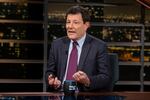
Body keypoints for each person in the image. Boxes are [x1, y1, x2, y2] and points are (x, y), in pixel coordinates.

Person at [45, 5, 112, 92]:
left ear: (86, 25)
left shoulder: (98, 46)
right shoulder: (57, 45)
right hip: (60, 94)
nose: (70, 26)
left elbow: (105, 77)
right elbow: (49, 72)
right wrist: (51, 80)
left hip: (85, 95)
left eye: (75, 22)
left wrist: (88, 81)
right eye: (68, 22)